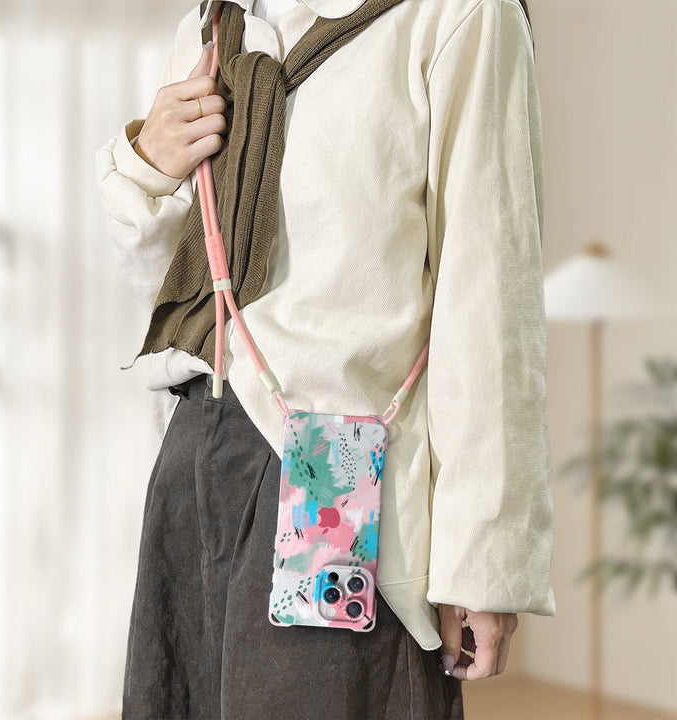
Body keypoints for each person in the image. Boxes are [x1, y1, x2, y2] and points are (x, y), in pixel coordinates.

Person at [95, 0, 555, 717]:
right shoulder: (213, 25)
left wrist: (485, 560)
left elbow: (491, 291)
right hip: (194, 455)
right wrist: (146, 168)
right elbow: (177, 294)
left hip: (336, 472)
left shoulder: (459, 15)